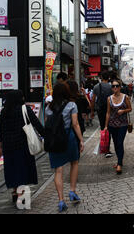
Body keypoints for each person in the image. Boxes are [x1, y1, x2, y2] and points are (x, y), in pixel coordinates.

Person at [0, 90, 45, 204]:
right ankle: (21, 196)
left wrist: (0, 148)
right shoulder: (25, 110)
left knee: (12, 170)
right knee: (22, 170)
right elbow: (37, 125)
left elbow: (1, 133)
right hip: (23, 146)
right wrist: (47, 136)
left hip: (8, 147)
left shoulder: (3, 112)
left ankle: (14, 192)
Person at [45, 82, 84, 212]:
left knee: (58, 170)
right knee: (74, 163)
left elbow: (48, 125)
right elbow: (75, 124)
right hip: (69, 138)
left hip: (55, 140)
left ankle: (61, 200)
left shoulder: (48, 108)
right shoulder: (71, 105)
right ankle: (72, 191)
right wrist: (81, 140)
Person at [105, 79, 132, 174]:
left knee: (120, 142)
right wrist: (105, 126)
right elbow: (108, 113)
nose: (115, 88)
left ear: (120, 87)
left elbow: (130, 109)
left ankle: (119, 163)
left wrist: (123, 111)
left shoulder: (126, 97)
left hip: (123, 124)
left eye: (117, 86)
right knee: (116, 143)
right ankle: (119, 160)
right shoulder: (109, 98)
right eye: (113, 86)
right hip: (112, 124)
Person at [91, 71, 113, 157]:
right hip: (110, 110)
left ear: (101, 77)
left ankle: (105, 148)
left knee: (103, 128)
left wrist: (92, 111)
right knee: (109, 128)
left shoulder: (96, 87)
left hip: (100, 110)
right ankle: (107, 148)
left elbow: (93, 100)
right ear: (108, 78)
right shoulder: (111, 86)